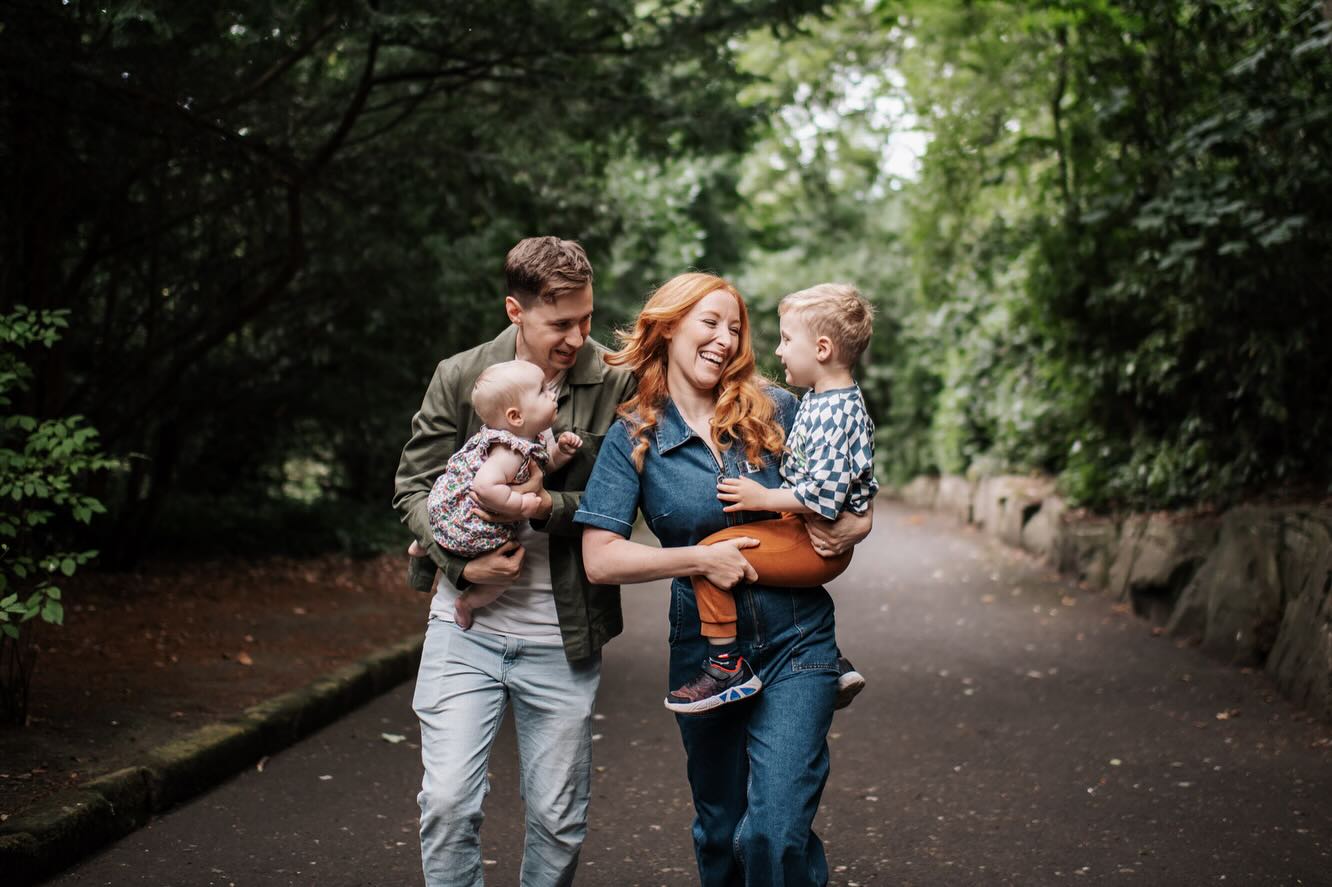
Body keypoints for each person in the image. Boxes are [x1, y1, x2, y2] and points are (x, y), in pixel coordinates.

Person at [575, 272, 873, 886]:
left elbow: (844, 474)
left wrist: (860, 523)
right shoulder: (636, 435)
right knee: (721, 828)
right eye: (709, 322)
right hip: (705, 652)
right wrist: (698, 560)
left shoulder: (779, 407)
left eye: (734, 328)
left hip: (798, 638)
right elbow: (601, 559)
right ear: (668, 328)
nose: (724, 339)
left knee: (775, 830)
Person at [393, 236, 635, 887]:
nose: (578, 337)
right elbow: (413, 487)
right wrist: (460, 567)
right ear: (515, 311)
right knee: (447, 804)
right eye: (561, 324)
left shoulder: (615, 381)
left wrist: (545, 505)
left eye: (586, 318)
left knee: (558, 821)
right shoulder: (460, 375)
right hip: (464, 628)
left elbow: (626, 503)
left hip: (563, 634)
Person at [667, 282, 878, 713]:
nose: (779, 351)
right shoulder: (823, 398)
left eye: (786, 340)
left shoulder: (835, 412)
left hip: (817, 535)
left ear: (821, 349)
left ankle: (725, 665)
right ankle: (831, 660)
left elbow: (825, 494)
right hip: (805, 526)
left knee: (710, 557)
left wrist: (763, 497)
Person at [409, 359, 582, 630]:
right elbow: (484, 487)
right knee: (503, 578)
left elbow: (540, 467)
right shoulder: (509, 452)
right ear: (515, 416)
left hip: (445, 508)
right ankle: (467, 603)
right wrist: (520, 504)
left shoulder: (523, 439)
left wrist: (560, 453)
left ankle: (423, 544)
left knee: (445, 526)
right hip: (470, 525)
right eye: (542, 391)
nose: (552, 394)